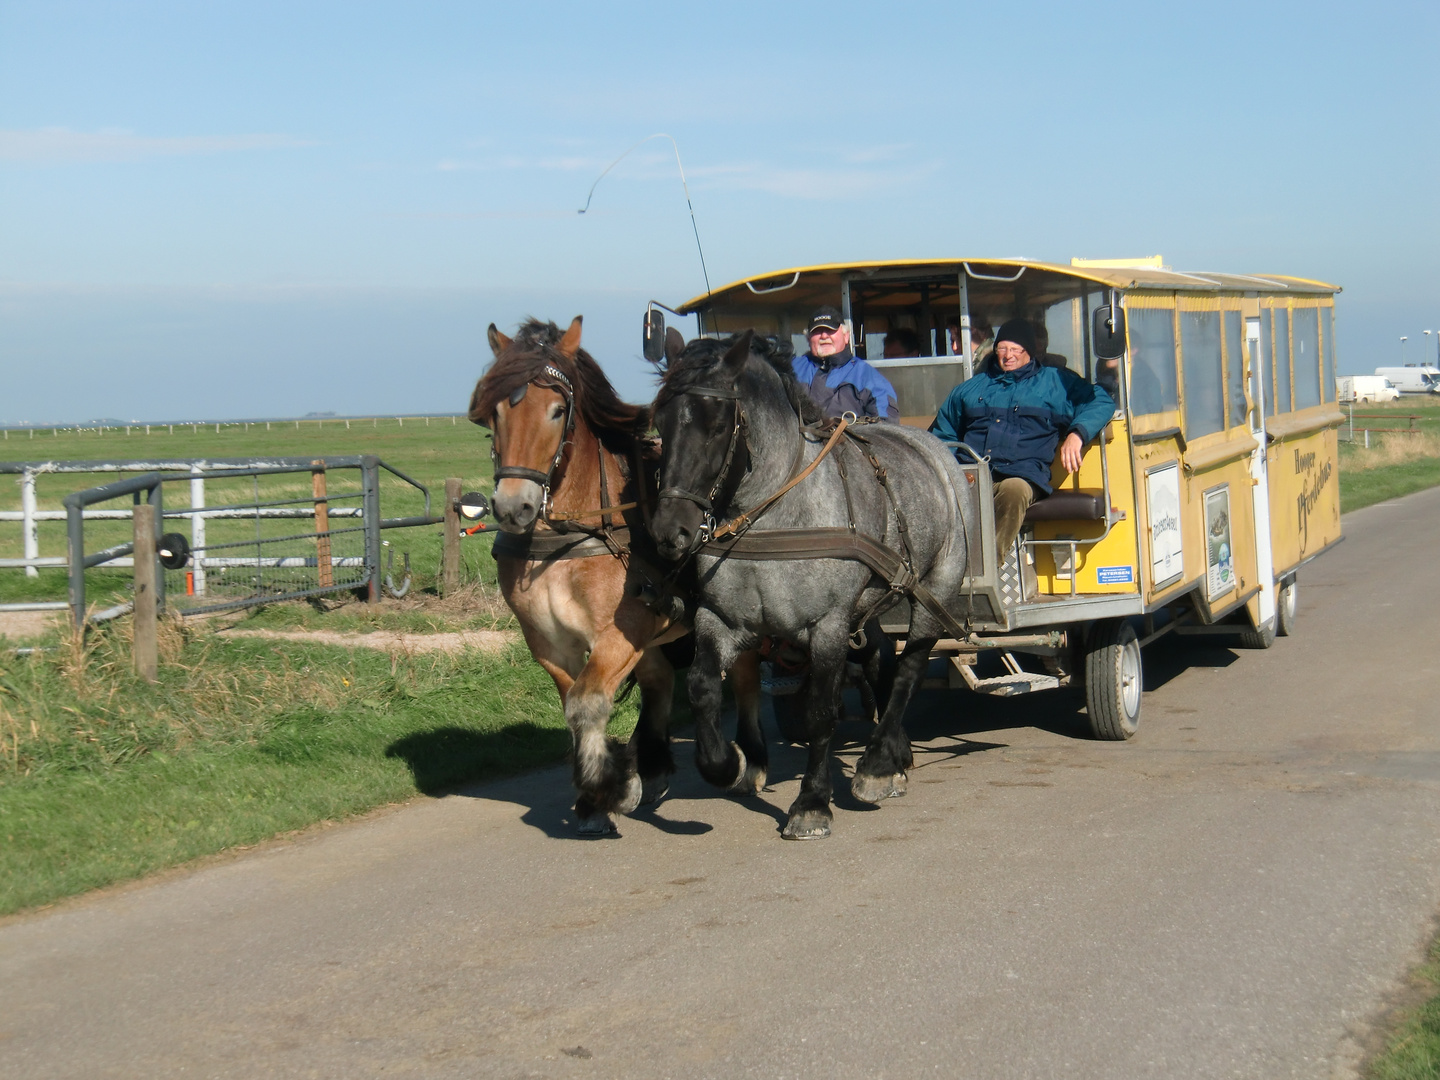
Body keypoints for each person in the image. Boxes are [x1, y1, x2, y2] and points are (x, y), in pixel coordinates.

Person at [930, 318, 1115, 556]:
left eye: (1016, 349)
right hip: (972, 475)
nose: (1008, 355)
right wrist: (946, 470)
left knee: (1014, 491)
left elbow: (1100, 400)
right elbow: (943, 434)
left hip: (1023, 475)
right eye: (1002, 348)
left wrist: (1077, 434)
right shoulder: (969, 389)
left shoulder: (1056, 383)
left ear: (1030, 351)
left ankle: (986, 569)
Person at [793, 307, 899, 422]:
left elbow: (886, 426)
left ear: (846, 336)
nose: (824, 336)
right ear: (808, 338)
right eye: (817, 331)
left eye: (830, 330)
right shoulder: (789, 370)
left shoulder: (870, 378)